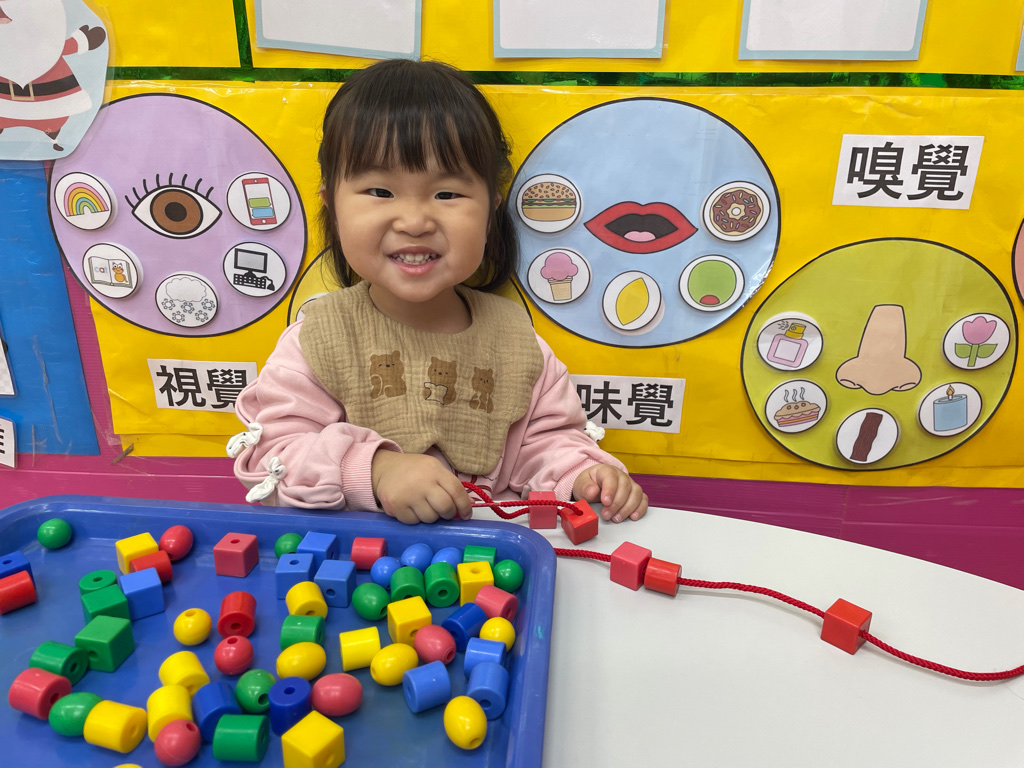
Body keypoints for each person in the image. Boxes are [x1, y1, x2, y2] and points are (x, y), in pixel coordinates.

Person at [230, 59, 648, 526]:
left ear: (490, 209)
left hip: (487, 559)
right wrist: (375, 470)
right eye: (380, 191)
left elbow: (547, 443)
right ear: (332, 204)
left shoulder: (517, 344)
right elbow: (275, 456)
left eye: (447, 194)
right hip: (354, 561)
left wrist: (583, 474)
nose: (414, 221)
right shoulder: (318, 340)